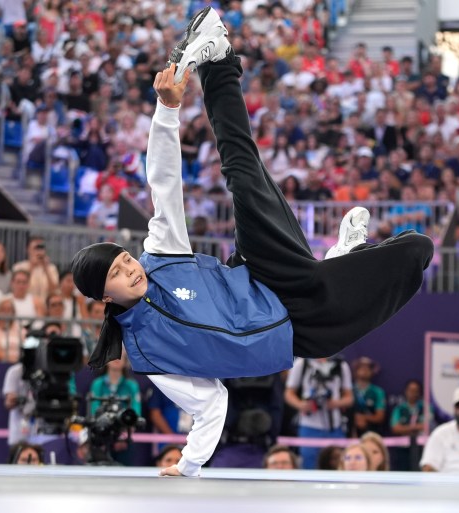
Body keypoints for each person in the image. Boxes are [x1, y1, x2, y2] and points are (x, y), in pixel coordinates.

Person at [70, 7, 432, 478]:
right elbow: (210, 402)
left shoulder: (158, 256)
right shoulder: (149, 355)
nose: (130, 269)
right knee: (415, 250)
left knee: (243, 172)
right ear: (104, 296)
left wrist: (168, 108)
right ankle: (347, 257)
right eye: (117, 273)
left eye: (123, 259)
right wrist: (189, 464)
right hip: (301, 331)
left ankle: (217, 59)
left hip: (263, 271)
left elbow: (163, 182)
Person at [284, 357, 354, 470]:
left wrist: (335, 403)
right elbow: (289, 393)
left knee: (339, 464)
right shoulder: (302, 363)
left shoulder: (341, 365)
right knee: (309, 465)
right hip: (309, 426)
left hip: (335, 426)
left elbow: (349, 397)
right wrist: (302, 405)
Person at [390, 378, 426, 471]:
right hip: (403, 449)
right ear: (406, 391)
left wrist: (406, 428)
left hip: (421, 448)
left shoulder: (425, 407)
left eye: (416, 391)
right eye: (411, 390)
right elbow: (395, 428)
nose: (413, 393)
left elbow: (426, 426)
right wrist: (415, 427)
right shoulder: (399, 408)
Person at [13, 236, 59, 304]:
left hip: (46, 307)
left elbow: (54, 290)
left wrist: (46, 269)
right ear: (28, 249)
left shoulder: (52, 268)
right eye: (36, 248)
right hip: (26, 305)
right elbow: (17, 288)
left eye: (41, 248)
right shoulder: (19, 267)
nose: (39, 251)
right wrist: (32, 266)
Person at [351, 356, 386, 437]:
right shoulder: (349, 390)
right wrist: (354, 419)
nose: (365, 370)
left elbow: (380, 417)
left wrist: (364, 418)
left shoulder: (378, 392)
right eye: (361, 368)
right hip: (351, 432)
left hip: (372, 432)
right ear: (356, 371)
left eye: (368, 368)